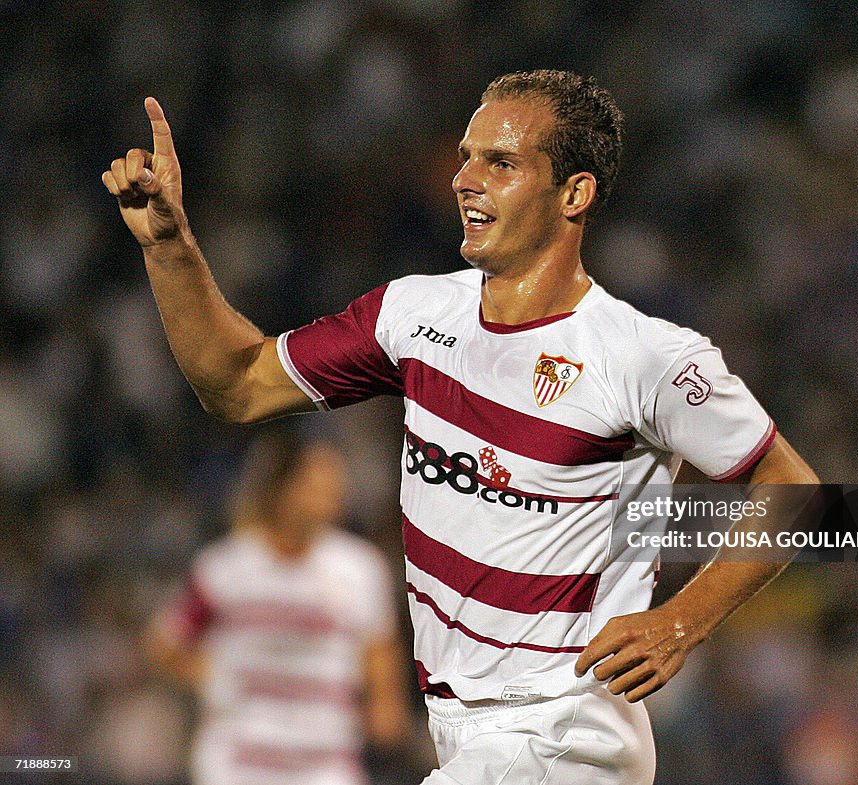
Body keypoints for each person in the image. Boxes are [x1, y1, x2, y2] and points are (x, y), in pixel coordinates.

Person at [104, 69, 818, 784]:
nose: (464, 179)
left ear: (575, 193)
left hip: (563, 727)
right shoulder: (414, 315)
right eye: (466, 156)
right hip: (466, 730)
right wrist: (168, 244)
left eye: (501, 162)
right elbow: (235, 385)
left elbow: (796, 487)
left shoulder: (644, 357)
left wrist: (681, 621)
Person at [146, 430, 410, 785]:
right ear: (283, 488)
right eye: (318, 484)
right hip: (240, 760)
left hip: (325, 761)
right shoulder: (225, 567)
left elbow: (378, 647)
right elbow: (164, 643)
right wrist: (214, 678)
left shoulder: (359, 568)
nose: (335, 495)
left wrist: (385, 704)